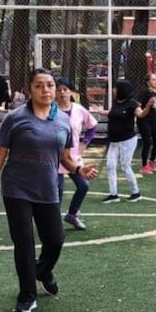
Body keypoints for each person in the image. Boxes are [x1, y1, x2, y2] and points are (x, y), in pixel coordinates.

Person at [0, 69, 99, 312]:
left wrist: (80, 169)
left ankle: (42, 271)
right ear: (29, 90)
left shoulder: (63, 120)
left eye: (50, 85)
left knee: (55, 239)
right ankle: (27, 296)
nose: (46, 90)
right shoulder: (15, 118)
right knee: (24, 242)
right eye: (39, 86)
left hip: (47, 188)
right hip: (16, 188)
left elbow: (65, 157)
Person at [54, 76, 99, 230]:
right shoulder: (51, 110)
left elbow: (92, 126)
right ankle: (53, 224)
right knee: (57, 190)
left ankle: (72, 215)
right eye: (58, 90)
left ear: (71, 92)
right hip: (55, 157)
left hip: (73, 157)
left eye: (65, 90)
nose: (62, 93)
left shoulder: (79, 109)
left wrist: (84, 143)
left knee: (83, 185)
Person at [92, 80, 145, 203]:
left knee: (125, 166)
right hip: (114, 140)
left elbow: (141, 115)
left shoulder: (133, 104)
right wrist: (101, 111)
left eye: (115, 88)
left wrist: (148, 107)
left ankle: (136, 192)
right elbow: (112, 113)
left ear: (122, 90)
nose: (113, 90)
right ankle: (113, 194)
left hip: (128, 140)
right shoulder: (116, 102)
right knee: (110, 166)